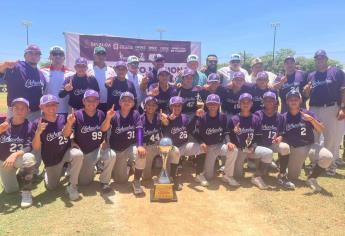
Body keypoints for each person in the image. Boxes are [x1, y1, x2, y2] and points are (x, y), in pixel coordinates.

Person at [62, 89, 116, 195]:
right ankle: (80, 169)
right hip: (83, 153)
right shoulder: (77, 115)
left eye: (94, 100)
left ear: (98, 102)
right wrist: (69, 124)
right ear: (83, 101)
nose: (91, 103)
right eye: (88, 100)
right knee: (84, 182)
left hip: (97, 150)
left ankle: (104, 182)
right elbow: (65, 135)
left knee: (111, 154)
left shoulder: (101, 114)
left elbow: (104, 129)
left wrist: (108, 118)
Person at [31, 95, 84, 200]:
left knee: (78, 154)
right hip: (52, 159)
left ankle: (72, 186)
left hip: (65, 152)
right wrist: (38, 133)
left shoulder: (63, 118)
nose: (51, 107)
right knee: (52, 187)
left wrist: (69, 124)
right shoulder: (37, 123)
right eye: (48, 105)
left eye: (54, 104)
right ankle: (49, 172)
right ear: (41, 107)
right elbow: (36, 147)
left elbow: (66, 135)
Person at [303, 49, 345, 175]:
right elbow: (306, 94)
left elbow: (343, 91)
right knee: (313, 137)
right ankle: (315, 162)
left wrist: (342, 108)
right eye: (317, 58)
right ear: (315, 60)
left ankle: (330, 165)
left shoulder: (336, 72)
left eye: (322, 58)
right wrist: (306, 91)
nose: (319, 60)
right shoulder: (311, 75)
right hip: (314, 109)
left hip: (331, 108)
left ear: (326, 59)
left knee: (330, 138)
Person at [282, 90, 333, 192]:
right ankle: (289, 168)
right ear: (287, 101)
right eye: (291, 99)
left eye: (296, 99)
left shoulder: (308, 113)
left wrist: (312, 120)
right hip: (295, 149)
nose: (293, 101)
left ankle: (311, 178)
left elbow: (321, 130)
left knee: (327, 157)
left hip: (310, 145)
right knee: (293, 177)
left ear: (300, 100)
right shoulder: (283, 117)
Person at [101, 92, 146, 195]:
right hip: (116, 149)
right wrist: (108, 118)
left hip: (129, 147)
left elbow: (139, 130)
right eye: (124, 100)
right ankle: (126, 167)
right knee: (121, 180)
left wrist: (139, 145)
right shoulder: (114, 114)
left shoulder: (135, 114)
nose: (127, 102)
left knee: (141, 154)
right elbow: (103, 129)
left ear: (133, 103)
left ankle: (137, 181)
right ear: (120, 102)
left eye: (129, 100)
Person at [229, 93, 274, 190]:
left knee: (268, 153)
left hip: (251, 149)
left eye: (248, 102)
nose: (245, 104)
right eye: (243, 102)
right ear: (239, 104)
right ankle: (232, 167)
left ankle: (257, 177)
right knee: (238, 176)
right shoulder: (234, 119)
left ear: (251, 104)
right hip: (240, 150)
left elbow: (258, 136)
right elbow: (229, 137)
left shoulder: (256, 118)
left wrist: (253, 146)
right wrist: (234, 132)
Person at [194, 94, 239, 187]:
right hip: (208, 148)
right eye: (210, 104)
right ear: (207, 105)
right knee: (209, 176)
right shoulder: (203, 117)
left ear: (219, 105)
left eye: (215, 104)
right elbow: (196, 133)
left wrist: (229, 142)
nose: (212, 106)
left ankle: (228, 175)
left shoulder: (222, 116)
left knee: (233, 150)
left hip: (219, 145)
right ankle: (203, 172)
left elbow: (226, 131)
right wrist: (202, 143)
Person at [0, 98, 36, 208]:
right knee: (11, 190)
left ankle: (26, 193)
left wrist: (14, 154)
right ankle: (20, 176)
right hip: (4, 161)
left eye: (22, 108)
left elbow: (28, 147)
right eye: (16, 108)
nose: (19, 110)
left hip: (18, 159)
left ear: (28, 111)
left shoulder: (29, 126)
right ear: (11, 109)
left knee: (29, 157)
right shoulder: (3, 123)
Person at [254, 91, 294, 189]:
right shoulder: (257, 114)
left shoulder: (280, 117)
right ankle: (257, 171)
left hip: (272, 144)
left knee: (285, 147)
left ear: (275, 101)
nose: (269, 102)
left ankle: (282, 175)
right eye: (266, 100)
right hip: (259, 146)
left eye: (271, 100)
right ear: (263, 101)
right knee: (259, 167)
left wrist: (280, 137)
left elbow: (282, 132)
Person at [161, 96, 202, 190]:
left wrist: (196, 116)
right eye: (174, 106)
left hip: (183, 146)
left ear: (182, 106)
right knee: (174, 153)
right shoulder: (166, 118)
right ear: (171, 107)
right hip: (171, 149)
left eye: (179, 105)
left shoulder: (185, 117)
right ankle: (172, 177)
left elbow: (190, 130)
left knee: (202, 148)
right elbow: (164, 131)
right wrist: (167, 121)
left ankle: (199, 174)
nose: (177, 108)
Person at [0, 44, 46, 121]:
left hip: (36, 112)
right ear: (25, 55)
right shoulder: (17, 66)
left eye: (37, 54)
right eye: (30, 53)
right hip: (17, 112)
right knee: (13, 133)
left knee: (35, 133)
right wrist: (4, 65)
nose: (34, 56)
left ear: (39, 57)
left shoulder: (40, 73)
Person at [41, 46, 75, 117]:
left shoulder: (72, 73)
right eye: (55, 54)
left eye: (61, 54)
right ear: (50, 56)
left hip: (66, 111)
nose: (58, 56)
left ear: (64, 57)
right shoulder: (42, 71)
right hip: (47, 111)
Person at [87, 46, 116, 113]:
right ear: (94, 55)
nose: (101, 56)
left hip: (107, 103)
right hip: (91, 103)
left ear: (105, 56)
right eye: (98, 54)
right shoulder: (87, 67)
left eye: (103, 54)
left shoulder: (111, 70)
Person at [140, 96, 163, 180]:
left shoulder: (160, 117)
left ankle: (167, 176)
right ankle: (133, 164)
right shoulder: (140, 118)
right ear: (144, 106)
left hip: (157, 144)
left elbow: (167, 126)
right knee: (146, 177)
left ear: (156, 107)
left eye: (153, 105)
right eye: (148, 104)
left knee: (169, 150)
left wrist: (166, 121)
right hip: (146, 146)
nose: (151, 107)